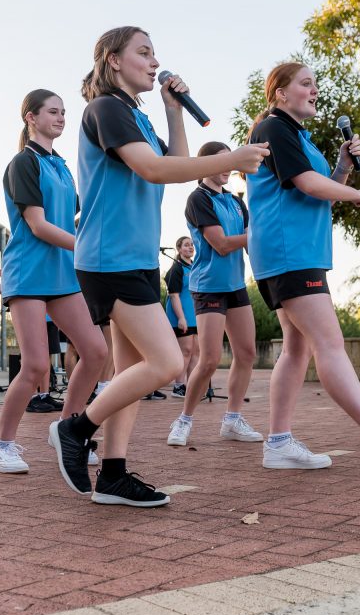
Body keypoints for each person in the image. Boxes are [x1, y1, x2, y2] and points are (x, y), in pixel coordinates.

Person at [49, 26, 269, 507]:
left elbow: (176, 163)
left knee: (130, 369)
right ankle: (74, 428)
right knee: (168, 363)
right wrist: (232, 157)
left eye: (155, 54)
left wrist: (173, 111)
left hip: (135, 257)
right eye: (143, 52)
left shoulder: (135, 116)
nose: (153, 62)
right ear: (112, 61)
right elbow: (154, 169)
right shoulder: (106, 109)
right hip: (109, 259)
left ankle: (112, 475)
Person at [245, 63, 360, 470]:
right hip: (287, 252)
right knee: (329, 343)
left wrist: (343, 168)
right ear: (280, 93)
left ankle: (278, 443)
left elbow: (319, 194)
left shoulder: (295, 134)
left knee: (297, 349)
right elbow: (309, 186)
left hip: (295, 252)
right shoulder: (274, 128)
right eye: (306, 83)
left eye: (316, 83)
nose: (315, 90)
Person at [0, 89, 108, 475]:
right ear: (31, 117)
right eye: (52, 112)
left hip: (62, 273)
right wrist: (87, 247)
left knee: (95, 351)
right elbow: (39, 225)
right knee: (36, 366)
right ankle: (2, 445)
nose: (60, 118)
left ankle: (70, 431)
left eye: (63, 112)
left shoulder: (60, 165)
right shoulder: (22, 163)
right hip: (27, 274)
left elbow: (73, 215)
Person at [167, 142, 263, 447]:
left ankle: (232, 420)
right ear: (205, 164)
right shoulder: (198, 199)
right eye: (221, 162)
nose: (227, 167)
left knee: (247, 353)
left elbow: (250, 243)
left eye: (230, 161)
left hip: (235, 286)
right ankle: (184, 419)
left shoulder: (237, 202)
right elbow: (221, 244)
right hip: (208, 286)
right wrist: (257, 236)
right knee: (208, 361)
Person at [162, 236, 198, 399]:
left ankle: (193, 385)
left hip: (196, 315)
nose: (190, 247)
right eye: (186, 245)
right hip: (182, 316)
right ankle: (178, 386)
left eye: (192, 245)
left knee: (197, 351)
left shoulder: (194, 266)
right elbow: (174, 296)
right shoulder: (176, 268)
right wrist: (181, 318)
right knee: (186, 351)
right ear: (179, 249)